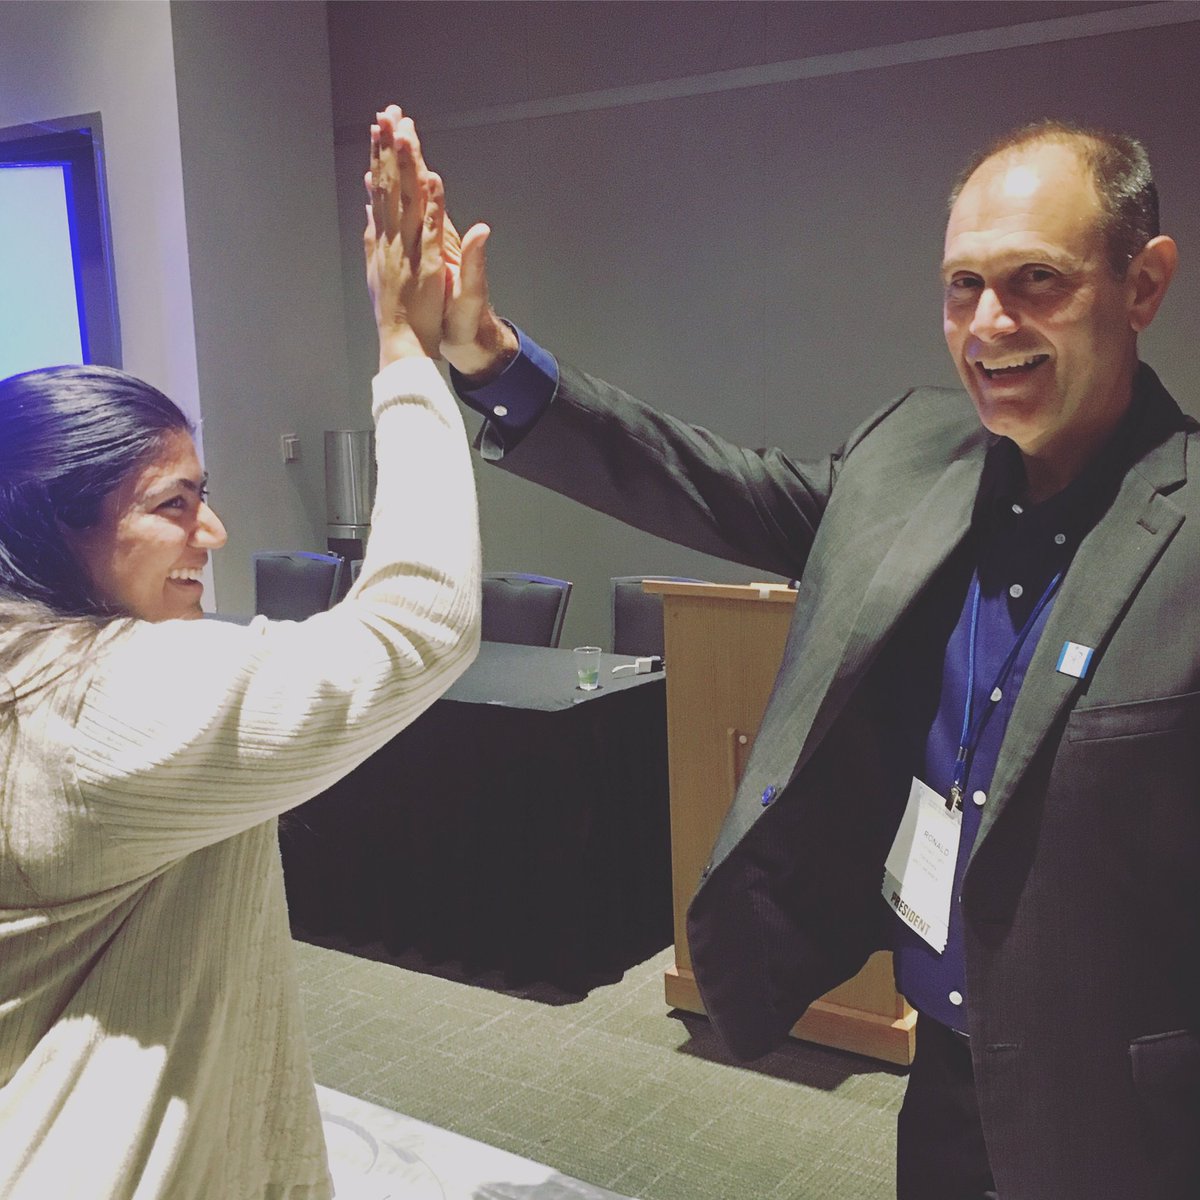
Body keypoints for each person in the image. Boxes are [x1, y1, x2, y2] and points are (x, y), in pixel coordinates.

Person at [389, 104, 1196, 1199]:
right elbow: (707, 479)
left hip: (1130, 1118)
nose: (988, 324)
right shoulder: (913, 452)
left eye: (1036, 281)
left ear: (1143, 284)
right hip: (946, 1079)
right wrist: (486, 357)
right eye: (963, 286)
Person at [0, 110, 479, 1198]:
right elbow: (416, 628)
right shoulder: (87, 711)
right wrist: (406, 352)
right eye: (176, 505)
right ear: (48, 529)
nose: (211, 534)